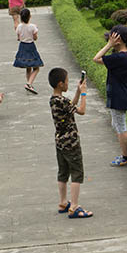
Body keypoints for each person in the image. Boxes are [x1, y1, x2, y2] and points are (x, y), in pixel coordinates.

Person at [49, 67, 92, 219]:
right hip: (71, 142)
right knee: (77, 172)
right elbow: (81, 110)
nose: (68, 83)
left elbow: (70, 107)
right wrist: (85, 94)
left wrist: (78, 93)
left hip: (60, 141)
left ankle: (63, 202)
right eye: (67, 81)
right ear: (61, 84)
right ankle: (74, 206)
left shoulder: (55, 100)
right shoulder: (62, 101)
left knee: (63, 171)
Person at [93, 25, 127, 167]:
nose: (108, 40)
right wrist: (112, 44)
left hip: (118, 95)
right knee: (117, 124)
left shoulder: (118, 57)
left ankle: (125, 156)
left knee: (120, 125)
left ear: (117, 41)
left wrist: (108, 45)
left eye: (111, 38)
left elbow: (96, 58)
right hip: (124, 93)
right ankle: (126, 153)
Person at [13, 7, 44, 94]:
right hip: (31, 47)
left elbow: (18, 38)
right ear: (29, 16)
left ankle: (29, 84)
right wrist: (34, 33)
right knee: (36, 67)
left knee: (28, 68)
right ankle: (29, 83)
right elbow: (35, 38)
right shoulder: (33, 27)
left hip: (22, 47)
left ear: (21, 17)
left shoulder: (19, 26)